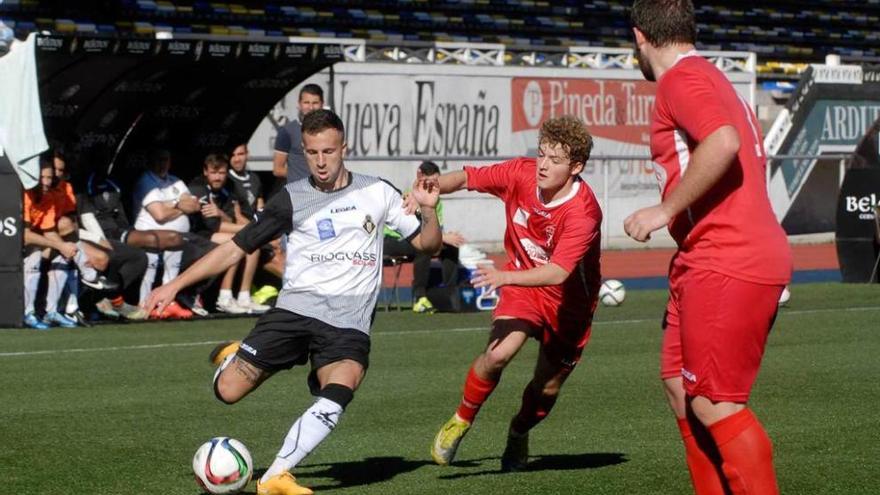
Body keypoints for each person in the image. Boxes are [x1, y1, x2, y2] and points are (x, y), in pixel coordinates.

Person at [144, 109, 441, 495]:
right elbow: (235, 249)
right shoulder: (290, 199)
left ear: (343, 148)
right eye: (312, 152)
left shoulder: (378, 192)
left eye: (329, 152)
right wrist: (173, 286)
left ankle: (276, 476)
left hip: (348, 320)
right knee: (227, 392)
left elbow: (428, 245)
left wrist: (430, 210)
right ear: (303, 150)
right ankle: (236, 355)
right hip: (295, 311)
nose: (320, 162)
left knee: (346, 379)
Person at [625, 2, 792, 493]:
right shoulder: (708, 76)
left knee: (714, 401)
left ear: (640, 37)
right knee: (680, 387)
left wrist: (664, 210)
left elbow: (722, 142)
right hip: (704, 256)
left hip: (727, 255)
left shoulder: (681, 79)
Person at [430, 116, 602, 472]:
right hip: (524, 288)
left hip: (568, 305)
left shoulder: (583, 213)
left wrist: (504, 277)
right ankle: (461, 420)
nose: (543, 165)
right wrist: (434, 186)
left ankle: (518, 431)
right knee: (497, 355)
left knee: (547, 388)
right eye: (541, 155)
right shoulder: (520, 173)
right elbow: (467, 177)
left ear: (576, 167)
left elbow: (558, 272)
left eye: (555, 160)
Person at [22, 158, 110, 328]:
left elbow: (49, 231)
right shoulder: (26, 195)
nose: (47, 182)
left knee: (65, 253)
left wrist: (67, 248)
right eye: (43, 178)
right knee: (36, 253)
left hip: (33, 241)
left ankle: (52, 312)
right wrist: (61, 245)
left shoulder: (48, 196)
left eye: (49, 178)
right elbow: (25, 236)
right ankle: (28, 312)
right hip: (12, 243)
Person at [187, 153, 269, 314]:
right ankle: (224, 297)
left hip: (216, 230)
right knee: (236, 242)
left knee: (253, 245)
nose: (218, 177)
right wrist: (253, 228)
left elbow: (234, 217)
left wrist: (222, 214)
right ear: (205, 171)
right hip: (197, 234)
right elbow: (212, 225)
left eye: (222, 173)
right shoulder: (198, 188)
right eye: (214, 172)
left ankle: (244, 297)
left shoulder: (228, 189)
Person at [383, 160, 465, 313]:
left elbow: (435, 229)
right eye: (430, 180)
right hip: (393, 240)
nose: (434, 184)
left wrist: (444, 239)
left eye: (436, 181)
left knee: (450, 247)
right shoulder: (410, 196)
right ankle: (419, 298)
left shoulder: (436, 199)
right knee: (424, 246)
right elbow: (416, 229)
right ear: (420, 177)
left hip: (415, 239)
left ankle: (450, 294)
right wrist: (444, 237)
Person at [131, 149, 201, 318]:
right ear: (150, 161)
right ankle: (145, 304)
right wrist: (179, 205)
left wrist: (172, 205)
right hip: (149, 236)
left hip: (179, 237)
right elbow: (159, 215)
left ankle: (167, 302)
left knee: (205, 249)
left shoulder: (175, 181)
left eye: (165, 160)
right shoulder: (146, 181)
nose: (162, 164)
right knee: (166, 245)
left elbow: (194, 205)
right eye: (159, 159)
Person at [272, 84, 324, 184]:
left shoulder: (329, 131)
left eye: (315, 103)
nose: (311, 107)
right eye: (306, 102)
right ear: (299, 104)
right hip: (300, 193)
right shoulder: (287, 131)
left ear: (322, 104)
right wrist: (306, 178)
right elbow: (277, 170)